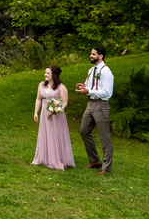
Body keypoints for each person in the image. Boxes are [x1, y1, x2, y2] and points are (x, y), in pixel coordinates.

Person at [76, 46, 114, 174]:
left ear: (101, 56)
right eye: (91, 54)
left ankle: (107, 167)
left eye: (93, 54)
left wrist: (89, 91)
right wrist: (83, 87)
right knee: (84, 131)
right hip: (90, 104)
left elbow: (107, 92)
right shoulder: (91, 70)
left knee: (104, 137)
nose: (91, 56)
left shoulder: (106, 71)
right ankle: (95, 161)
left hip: (101, 105)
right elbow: (89, 86)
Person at [32, 66, 74, 170]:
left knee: (55, 135)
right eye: (45, 73)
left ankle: (57, 159)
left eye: (48, 73)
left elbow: (65, 102)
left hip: (56, 115)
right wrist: (36, 112)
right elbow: (38, 99)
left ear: (54, 75)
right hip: (44, 114)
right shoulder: (41, 85)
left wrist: (57, 109)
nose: (45, 75)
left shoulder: (61, 87)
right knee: (45, 134)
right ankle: (44, 158)